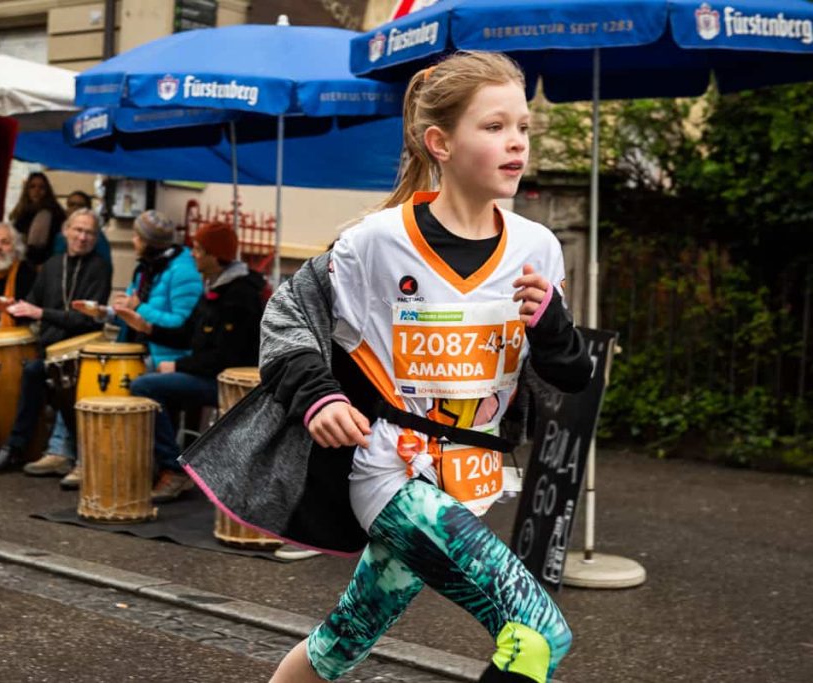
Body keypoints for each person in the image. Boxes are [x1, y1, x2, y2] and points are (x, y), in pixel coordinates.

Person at [177, 53, 593, 683]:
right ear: (440, 142)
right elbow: (286, 320)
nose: (516, 143)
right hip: (390, 472)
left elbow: (569, 375)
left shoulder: (539, 247)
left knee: (345, 638)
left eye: (524, 128)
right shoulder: (375, 241)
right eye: (494, 127)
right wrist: (321, 398)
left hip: (470, 481)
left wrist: (552, 326)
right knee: (538, 632)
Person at [52, 210, 203, 489]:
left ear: (149, 241)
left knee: (111, 388)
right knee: (80, 378)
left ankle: (110, 462)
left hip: (165, 355)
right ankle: (91, 459)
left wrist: (138, 307)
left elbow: (182, 326)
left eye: (137, 236)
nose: (133, 240)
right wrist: (104, 312)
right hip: (136, 349)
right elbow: (130, 312)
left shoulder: (183, 273)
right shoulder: (146, 266)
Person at [0, 208, 111, 474]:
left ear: (96, 238)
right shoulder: (53, 264)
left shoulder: (100, 268)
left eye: (89, 233)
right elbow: (32, 303)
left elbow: (86, 320)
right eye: (78, 230)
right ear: (66, 231)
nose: (82, 237)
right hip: (45, 347)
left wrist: (40, 313)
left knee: (32, 371)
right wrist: (11, 305)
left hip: (78, 352)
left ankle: (14, 447)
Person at [116, 222, 264, 502]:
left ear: (215, 255)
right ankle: (161, 463)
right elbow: (187, 336)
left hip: (231, 386)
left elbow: (225, 358)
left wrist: (178, 366)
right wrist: (145, 326)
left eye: (198, 249)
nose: (192, 254)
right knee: (151, 379)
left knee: (145, 387)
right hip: (210, 375)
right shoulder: (214, 287)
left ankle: (175, 470)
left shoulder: (239, 296)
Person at [8, 172, 66, 267]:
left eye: (41, 187)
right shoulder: (21, 212)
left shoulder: (53, 213)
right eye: (32, 187)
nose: (37, 191)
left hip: (44, 264)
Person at [51, 191, 113, 265]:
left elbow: (105, 265)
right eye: (71, 204)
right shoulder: (60, 234)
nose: (75, 208)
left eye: (80, 205)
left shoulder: (97, 236)